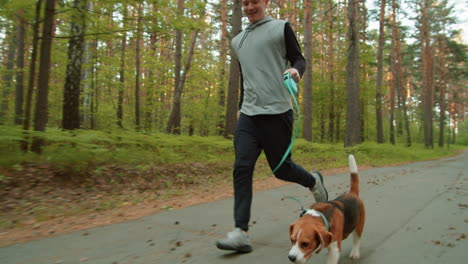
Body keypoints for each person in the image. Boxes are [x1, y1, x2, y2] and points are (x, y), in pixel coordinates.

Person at [215, 0, 328, 253]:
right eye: (245, 3)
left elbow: (299, 58)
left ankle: (313, 181)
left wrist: (296, 72)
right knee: (242, 167)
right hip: (248, 115)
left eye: (254, 1)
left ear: (265, 2)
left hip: (277, 112)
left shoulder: (281, 28)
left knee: (281, 169)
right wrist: (241, 106)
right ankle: (240, 232)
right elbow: (248, 76)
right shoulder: (238, 41)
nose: (249, 7)